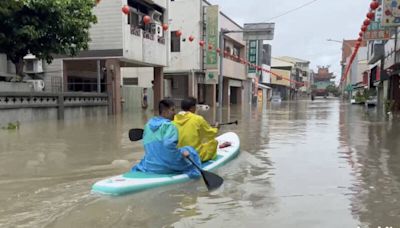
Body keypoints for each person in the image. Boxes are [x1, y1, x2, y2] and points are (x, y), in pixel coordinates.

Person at [132, 99, 201, 178]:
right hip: (167, 166)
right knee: (189, 150)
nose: (175, 113)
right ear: (165, 111)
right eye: (172, 110)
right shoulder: (170, 126)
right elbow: (168, 145)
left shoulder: (148, 125)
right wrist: (182, 152)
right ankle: (197, 173)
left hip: (150, 166)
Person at [173, 97, 219, 162]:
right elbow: (211, 134)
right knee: (214, 142)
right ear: (192, 108)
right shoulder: (198, 119)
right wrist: (216, 128)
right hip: (194, 155)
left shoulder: (173, 120)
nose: (196, 108)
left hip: (180, 155)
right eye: (195, 106)